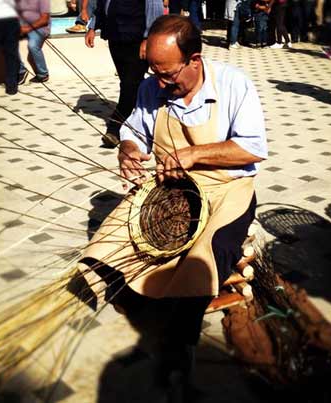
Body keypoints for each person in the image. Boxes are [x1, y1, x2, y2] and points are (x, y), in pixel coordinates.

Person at [77, 14, 267, 396]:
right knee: (105, 247)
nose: (160, 83)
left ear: (194, 60)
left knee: (205, 258)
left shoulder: (233, 84)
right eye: (154, 73)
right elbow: (133, 132)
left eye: (168, 75)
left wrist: (195, 153)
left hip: (225, 188)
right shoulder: (152, 88)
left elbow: (252, 148)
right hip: (169, 187)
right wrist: (128, 151)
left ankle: (180, 347)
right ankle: (139, 303)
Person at [84, 0, 164, 149]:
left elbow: (155, 11)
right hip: (116, 39)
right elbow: (100, 6)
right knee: (130, 83)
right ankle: (147, 118)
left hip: (138, 40)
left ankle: (115, 129)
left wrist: (148, 38)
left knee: (130, 84)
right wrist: (92, 28)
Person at [17, 0, 51, 84]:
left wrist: (27, 29)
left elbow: (44, 19)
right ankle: (21, 71)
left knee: (32, 45)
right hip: (23, 26)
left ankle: (43, 74)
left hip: (40, 27)